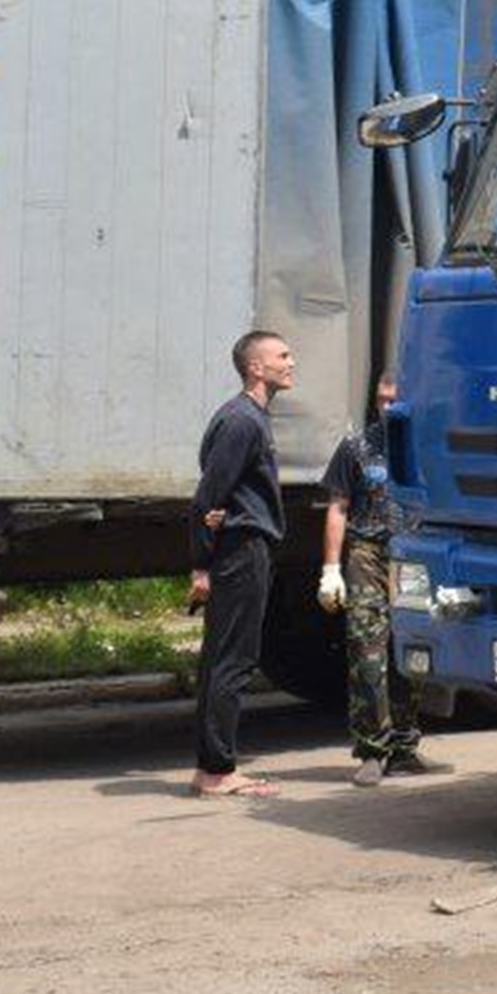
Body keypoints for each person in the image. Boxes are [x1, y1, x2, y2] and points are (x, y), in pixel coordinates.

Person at [320, 374, 440, 786]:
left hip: (412, 557)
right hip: (366, 554)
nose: (387, 409)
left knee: (411, 652)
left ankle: (405, 746)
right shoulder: (356, 447)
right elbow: (338, 506)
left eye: (394, 401)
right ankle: (373, 748)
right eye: (381, 401)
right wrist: (330, 568)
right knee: (367, 652)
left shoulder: (424, 447)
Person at [188, 328, 293, 799]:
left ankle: (210, 765)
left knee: (221, 661)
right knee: (233, 661)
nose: (291, 362)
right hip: (242, 550)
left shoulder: (248, 418)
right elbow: (209, 496)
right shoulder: (243, 421)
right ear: (256, 367)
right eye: (282, 355)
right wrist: (201, 564)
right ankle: (218, 770)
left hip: (240, 547)